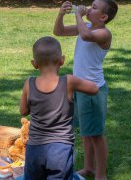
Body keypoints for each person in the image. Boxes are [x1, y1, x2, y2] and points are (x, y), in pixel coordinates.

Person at [53, 0, 118, 180]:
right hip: (79, 89)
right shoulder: (87, 26)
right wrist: (61, 14)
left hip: (93, 90)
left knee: (96, 134)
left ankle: (101, 175)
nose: (89, 8)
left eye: (94, 7)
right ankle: (89, 168)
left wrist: (79, 16)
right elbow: (59, 31)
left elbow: (86, 36)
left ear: (103, 17)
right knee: (85, 131)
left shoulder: (104, 33)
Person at [20, 36, 99, 180]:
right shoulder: (69, 82)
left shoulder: (28, 83)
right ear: (62, 60)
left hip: (35, 148)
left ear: (34, 64)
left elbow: (23, 111)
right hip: (60, 149)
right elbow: (94, 89)